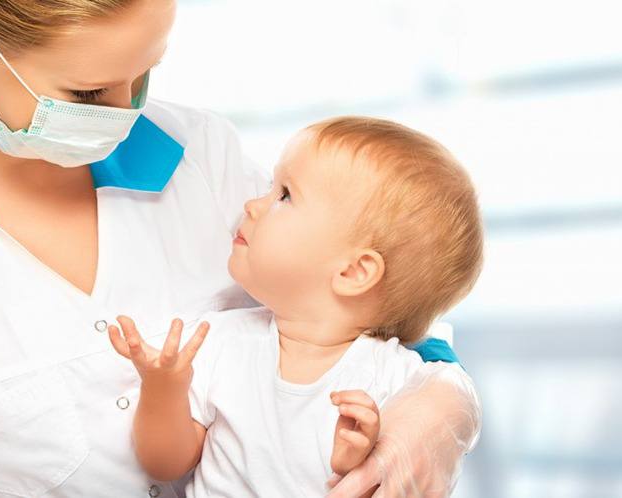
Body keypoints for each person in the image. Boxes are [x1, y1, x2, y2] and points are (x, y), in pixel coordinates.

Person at [0, 1, 481, 497]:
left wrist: (442, 411)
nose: (124, 112)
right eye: (88, 91)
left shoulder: (201, 155)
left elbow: (367, 303)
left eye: (143, 73)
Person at [108, 116, 484, 497]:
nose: (252, 205)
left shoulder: (394, 382)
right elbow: (164, 463)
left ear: (353, 272)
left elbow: (406, 478)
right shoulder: (221, 342)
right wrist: (164, 390)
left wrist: (360, 467)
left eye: (284, 195)